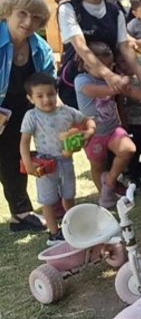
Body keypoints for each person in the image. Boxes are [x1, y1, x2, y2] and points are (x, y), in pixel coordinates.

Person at [58, 0, 141, 109]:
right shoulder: (68, 8)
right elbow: (80, 46)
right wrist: (108, 74)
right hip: (76, 82)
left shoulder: (114, 11)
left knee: (108, 124)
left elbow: (125, 47)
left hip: (107, 85)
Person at [0, 0, 54, 233]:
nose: (28, 22)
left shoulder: (40, 47)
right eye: (22, 14)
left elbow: (49, 84)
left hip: (21, 111)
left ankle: (20, 213)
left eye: (35, 18)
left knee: (13, 159)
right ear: (8, 12)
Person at [20, 73, 95, 245]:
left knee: (68, 196)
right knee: (48, 201)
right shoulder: (32, 116)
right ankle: (54, 234)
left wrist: (89, 132)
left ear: (57, 93)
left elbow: (88, 121)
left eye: (51, 94)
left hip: (66, 162)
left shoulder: (67, 111)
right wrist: (28, 162)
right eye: (40, 96)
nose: (46, 99)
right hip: (46, 166)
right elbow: (24, 142)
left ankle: (73, 226)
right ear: (30, 98)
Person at [75, 41, 138, 208]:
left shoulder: (110, 78)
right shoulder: (81, 81)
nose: (107, 71)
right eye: (103, 67)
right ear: (87, 65)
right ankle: (105, 197)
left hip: (112, 128)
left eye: (110, 66)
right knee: (97, 165)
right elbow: (110, 91)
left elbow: (120, 96)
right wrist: (125, 78)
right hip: (93, 133)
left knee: (128, 149)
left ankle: (109, 181)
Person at [115, 52, 141, 188]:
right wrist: (123, 122)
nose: (126, 65)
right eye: (122, 62)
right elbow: (120, 103)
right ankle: (133, 176)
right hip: (132, 122)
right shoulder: (119, 80)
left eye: (128, 60)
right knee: (134, 151)